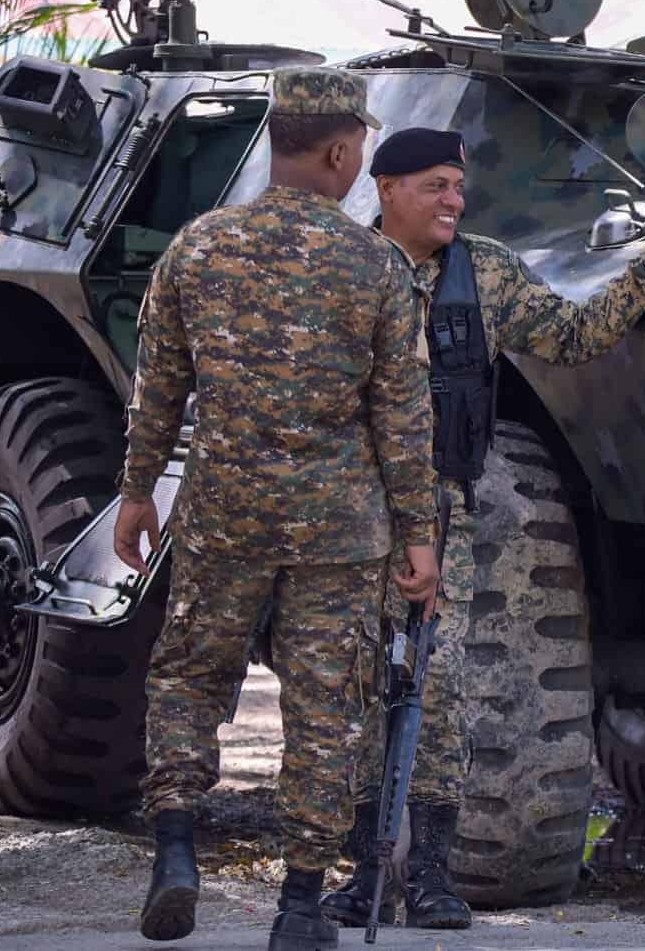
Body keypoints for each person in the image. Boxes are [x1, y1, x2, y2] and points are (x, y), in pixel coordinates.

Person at [322, 127, 645, 930]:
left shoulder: (487, 270)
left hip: (443, 520)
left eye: (458, 187)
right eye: (435, 185)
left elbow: (571, 337)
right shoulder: (339, 267)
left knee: (435, 695)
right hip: (351, 517)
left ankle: (431, 875)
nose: (453, 201)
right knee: (355, 691)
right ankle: (358, 869)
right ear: (388, 187)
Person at [114, 69, 441, 951]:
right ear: (340, 151)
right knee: (326, 706)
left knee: (188, 678)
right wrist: (420, 533)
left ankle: (176, 850)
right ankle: (300, 905)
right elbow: (403, 418)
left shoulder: (197, 247)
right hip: (341, 530)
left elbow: (160, 391)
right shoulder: (376, 263)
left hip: (224, 515)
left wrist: (138, 491)